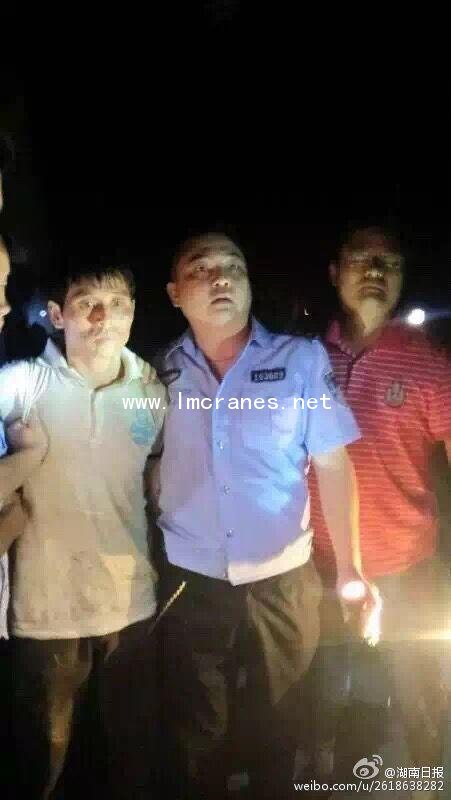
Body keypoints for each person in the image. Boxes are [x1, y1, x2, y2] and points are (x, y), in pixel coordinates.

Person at [153, 231, 368, 800]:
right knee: (197, 736)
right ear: (174, 293)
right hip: (189, 584)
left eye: (233, 266)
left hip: (283, 581)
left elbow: (334, 467)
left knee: (283, 728)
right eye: (201, 269)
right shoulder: (158, 372)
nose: (221, 277)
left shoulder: (299, 360)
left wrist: (351, 570)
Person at [0, 257, 166, 799]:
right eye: (87, 303)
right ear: (57, 315)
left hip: (130, 604)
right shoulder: (22, 383)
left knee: (131, 757)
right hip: (45, 610)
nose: (103, 317)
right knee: (42, 762)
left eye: (117, 304)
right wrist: (21, 461)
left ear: (133, 314)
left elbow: (161, 470)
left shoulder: (152, 391)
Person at [309, 225, 451, 785]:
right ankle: (324, 783)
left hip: (408, 567)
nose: (374, 271)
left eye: (389, 263)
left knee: (420, 702)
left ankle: (424, 787)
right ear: (334, 272)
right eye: (361, 259)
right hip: (316, 566)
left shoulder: (429, 363)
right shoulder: (306, 358)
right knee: (319, 704)